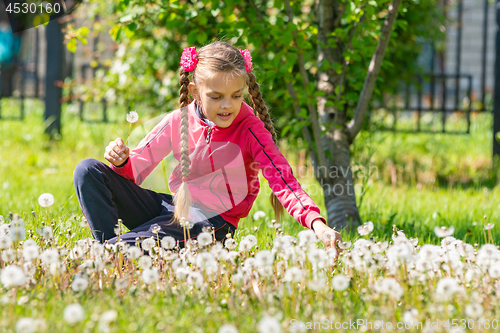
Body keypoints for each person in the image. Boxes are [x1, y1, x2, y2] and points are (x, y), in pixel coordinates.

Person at [73, 41, 343, 253]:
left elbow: (283, 180)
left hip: (212, 225)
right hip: (174, 209)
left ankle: (112, 255)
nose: (227, 105)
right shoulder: (179, 120)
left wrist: (318, 225)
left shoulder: (251, 129)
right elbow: (135, 171)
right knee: (88, 171)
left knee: (126, 249)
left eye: (236, 96)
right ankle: (108, 255)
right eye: (216, 97)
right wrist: (120, 162)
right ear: (194, 91)